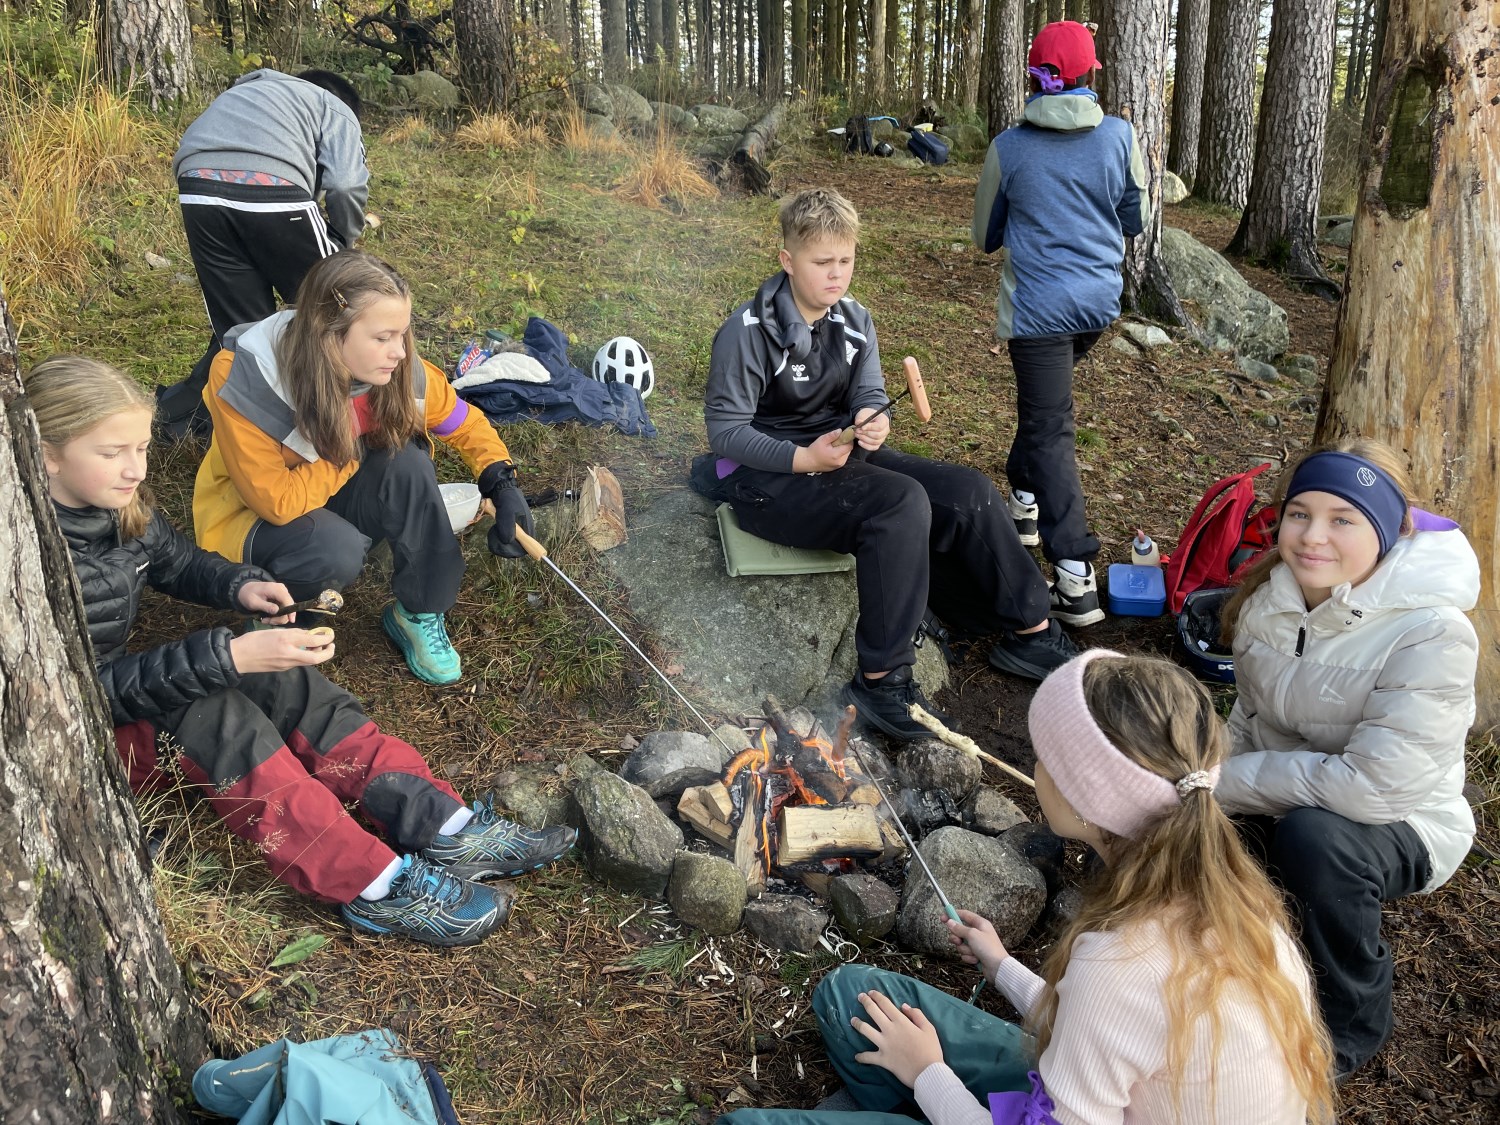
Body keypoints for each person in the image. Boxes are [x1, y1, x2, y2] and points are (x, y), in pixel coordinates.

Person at [28, 355, 577, 946]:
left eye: (140, 448)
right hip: (73, 746)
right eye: (113, 452)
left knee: (282, 677)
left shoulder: (113, 506)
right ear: (45, 452)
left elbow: (175, 562)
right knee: (211, 709)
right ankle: (375, 887)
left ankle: (443, 824)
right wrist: (227, 660)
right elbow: (70, 698)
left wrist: (242, 585)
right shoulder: (24, 554)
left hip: (108, 696)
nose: (136, 468)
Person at [721, 651, 1337, 1125]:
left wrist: (929, 1074)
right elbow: (1115, 1031)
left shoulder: (1120, 965)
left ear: (1086, 796)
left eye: (1046, 756)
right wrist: (1001, 967)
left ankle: (920, 1105)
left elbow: (1113, 1004)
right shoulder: (1236, 905)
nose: (1034, 765)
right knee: (850, 995)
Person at [703, 188, 1076, 743]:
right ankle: (880, 682)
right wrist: (804, 457)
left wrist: (871, 418)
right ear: (788, 260)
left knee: (968, 490)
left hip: (839, 454)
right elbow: (726, 434)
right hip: (766, 478)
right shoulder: (748, 332)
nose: (836, 274)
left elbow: (870, 392)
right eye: (822, 262)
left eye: (845, 260)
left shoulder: (855, 320)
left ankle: (1031, 630)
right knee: (899, 504)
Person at [1218, 439, 1479, 1079]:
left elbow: (1373, 788)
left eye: (1343, 519)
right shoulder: (1271, 601)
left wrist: (1226, 783)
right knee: (1200, 828)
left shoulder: (1432, 632)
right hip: (1287, 792)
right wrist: (1205, 782)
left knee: (1315, 842)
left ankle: (1349, 1024)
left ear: (1388, 531)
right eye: (1299, 514)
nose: (1313, 536)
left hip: (1402, 820)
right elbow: (1247, 719)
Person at [192, 250, 533, 686]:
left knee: (407, 463)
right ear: (329, 331)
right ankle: (280, 617)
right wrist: (354, 436)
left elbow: (464, 423)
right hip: (250, 520)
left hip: (329, 495)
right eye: (383, 337)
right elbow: (275, 502)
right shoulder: (250, 375)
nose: (399, 352)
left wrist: (500, 480)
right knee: (334, 546)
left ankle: (419, 610)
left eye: (403, 334)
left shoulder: (398, 371)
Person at [971, 20, 1150, 628]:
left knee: (1049, 428)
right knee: (1044, 414)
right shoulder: (1120, 136)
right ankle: (1024, 501)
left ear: (1034, 76)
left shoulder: (1009, 147)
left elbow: (986, 235)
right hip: (1097, 306)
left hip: (1038, 314)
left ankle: (1074, 576)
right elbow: (1134, 218)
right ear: (1089, 75)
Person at [157, 68, 370, 440]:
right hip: (274, 191)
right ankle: (349, 427)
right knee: (338, 309)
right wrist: (342, 242)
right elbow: (346, 183)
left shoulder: (244, 94)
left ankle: (236, 432)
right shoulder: (332, 105)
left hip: (197, 193)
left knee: (244, 331)